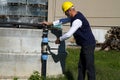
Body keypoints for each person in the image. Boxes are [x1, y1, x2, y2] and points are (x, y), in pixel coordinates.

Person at [42, 1, 96, 80]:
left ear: (69, 10)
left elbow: (68, 34)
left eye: (66, 13)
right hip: (85, 45)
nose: (66, 14)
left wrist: (59, 39)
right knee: (81, 66)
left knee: (89, 67)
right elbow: (62, 21)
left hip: (88, 44)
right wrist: (50, 23)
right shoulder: (74, 16)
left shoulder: (77, 20)